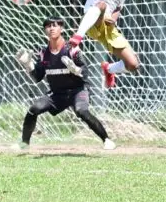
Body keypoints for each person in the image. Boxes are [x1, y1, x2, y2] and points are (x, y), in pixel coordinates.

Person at [16, 17, 116, 150]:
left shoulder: (72, 49)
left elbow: (85, 72)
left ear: (61, 28)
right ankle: (24, 144)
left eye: (55, 25)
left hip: (77, 90)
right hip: (57, 93)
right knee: (33, 110)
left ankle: (106, 140)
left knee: (82, 111)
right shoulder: (43, 53)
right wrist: (29, 65)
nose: (51, 28)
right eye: (48, 26)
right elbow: (37, 77)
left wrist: (75, 69)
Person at [68, 0, 151, 87]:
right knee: (101, 5)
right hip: (93, 21)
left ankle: (109, 69)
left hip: (107, 28)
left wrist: (113, 20)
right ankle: (77, 37)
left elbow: (118, 8)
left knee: (133, 64)